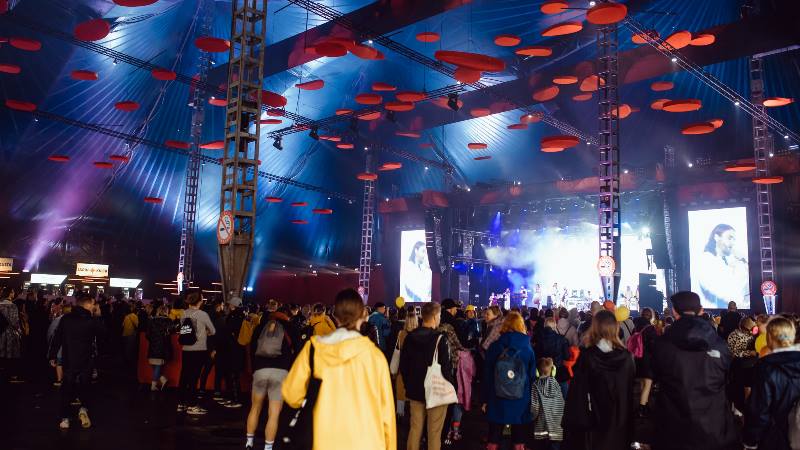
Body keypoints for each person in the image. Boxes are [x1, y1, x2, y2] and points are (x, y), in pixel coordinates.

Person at [282, 288, 396, 450]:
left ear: (335, 315)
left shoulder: (313, 349)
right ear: (363, 315)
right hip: (367, 441)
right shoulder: (375, 357)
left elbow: (291, 394)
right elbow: (387, 414)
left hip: (323, 439)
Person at [650, 291, 739, 450]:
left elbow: (655, 374)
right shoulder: (718, 344)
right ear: (701, 310)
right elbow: (727, 374)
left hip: (673, 429)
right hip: (713, 427)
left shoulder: (662, 344)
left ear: (674, 312)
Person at [562, 310, 634, 450]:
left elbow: (577, 394)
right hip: (619, 422)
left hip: (593, 422)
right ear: (615, 327)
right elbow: (628, 393)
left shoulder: (587, 356)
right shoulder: (627, 358)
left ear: (595, 327)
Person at [48, 293, 106, 430]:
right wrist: (98, 316)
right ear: (87, 305)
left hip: (69, 358)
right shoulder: (91, 320)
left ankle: (65, 418)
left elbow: (57, 338)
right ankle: (83, 409)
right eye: (92, 304)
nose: (94, 306)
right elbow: (104, 335)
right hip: (86, 359)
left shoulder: (66, 319)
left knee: (67, 387)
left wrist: (52, 355)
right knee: (85, 385)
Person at [743, 317, 800, 450]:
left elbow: (759, 410)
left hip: (775, 436)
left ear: (770, 338)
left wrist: (750, 441)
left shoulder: (765, 368)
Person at [400, 302, 450, 450]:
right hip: (436, 391)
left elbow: (404, 365)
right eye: (439, 315)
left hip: (415, 390)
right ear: (435, 316)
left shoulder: (410, 337)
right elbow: (446, 370)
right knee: (434, 433)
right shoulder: (440, 339)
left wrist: (409, 385)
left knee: (415, 429)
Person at [482, 312, 536, 450]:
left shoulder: (495, 346)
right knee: (519, 437)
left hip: (497, 395)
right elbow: (531, 375)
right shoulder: (527, 348)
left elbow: (487, 374)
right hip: (520, 396)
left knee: (494, 436)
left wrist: (485, 398)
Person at [246, 305, 296, 450]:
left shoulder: (260, 327)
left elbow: (251, 349)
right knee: (273, 413)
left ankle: (249, 443)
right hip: (280, 373)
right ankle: (268, 447)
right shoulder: (291, 328)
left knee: (255, 408)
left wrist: (254, 369)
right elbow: (298, 351)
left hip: (260, 371)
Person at [176, 291, 216, 415]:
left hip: (186, 349)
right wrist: (205, 332)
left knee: (184, 376)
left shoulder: (183, 313)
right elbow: (213, 331)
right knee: (194, 377)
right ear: (199, 301)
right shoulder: (203, 314)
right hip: (199, 349)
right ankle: (192, 405)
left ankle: (181, 404)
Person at [697, 224, 749, 309]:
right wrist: (738, 266)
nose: (733, 243)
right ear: (716, 237)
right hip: (717, 313)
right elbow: (726, 292)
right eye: (729, 238)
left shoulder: (729, 260)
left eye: (734, 239)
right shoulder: (706, 260)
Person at [531, 357, 565, 450]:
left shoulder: (535, 385)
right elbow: (561, 403)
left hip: (541, 426)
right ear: (553, 371)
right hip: (556, 426)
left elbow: (535, 407)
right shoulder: (556, 384)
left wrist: (532, 418)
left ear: (537, 372)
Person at [534, 317, 571, 399]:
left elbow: (536, 355)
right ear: (555, 326)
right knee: (565, 395)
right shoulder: (562, 339)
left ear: (544, 326)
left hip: (543, 371)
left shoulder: (538, 339)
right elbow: (567, 356)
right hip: (559, 372)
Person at [727, 316, 758, 413]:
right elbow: (731, 352)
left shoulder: (753, 333)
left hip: (751, 364)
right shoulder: (733, 335)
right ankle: (737, 407)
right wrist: (748, 353)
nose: (751, 332)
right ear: (742, 327)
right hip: (738, 364)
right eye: (749, 329)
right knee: (738, 386)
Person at [395, 310, 419, 418]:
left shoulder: (401, 333)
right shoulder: (419, 334)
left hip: (402, 364)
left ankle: (400, 412)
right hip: (415, 365)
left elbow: (398, 348)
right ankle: (414, 414)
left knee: (400, 388)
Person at [145, 305, 172, 391]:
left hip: (153, 345)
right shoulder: (168, 321)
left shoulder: (152, 320)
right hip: (163, 346)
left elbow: (147, 335)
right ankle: (156, 384)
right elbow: (172, 331)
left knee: (154, 365)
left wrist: (153, 340)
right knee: (157, 366)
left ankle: (160, 381)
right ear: (166, 311)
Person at [0, 287, 23, 383]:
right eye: (13, 292)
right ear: (10, 293)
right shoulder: (12, 306)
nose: (13, 294)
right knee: (11, 354)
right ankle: (11, 375)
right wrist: (19, 331)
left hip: (0, 332)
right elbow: (14, 322)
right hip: (10, 333)